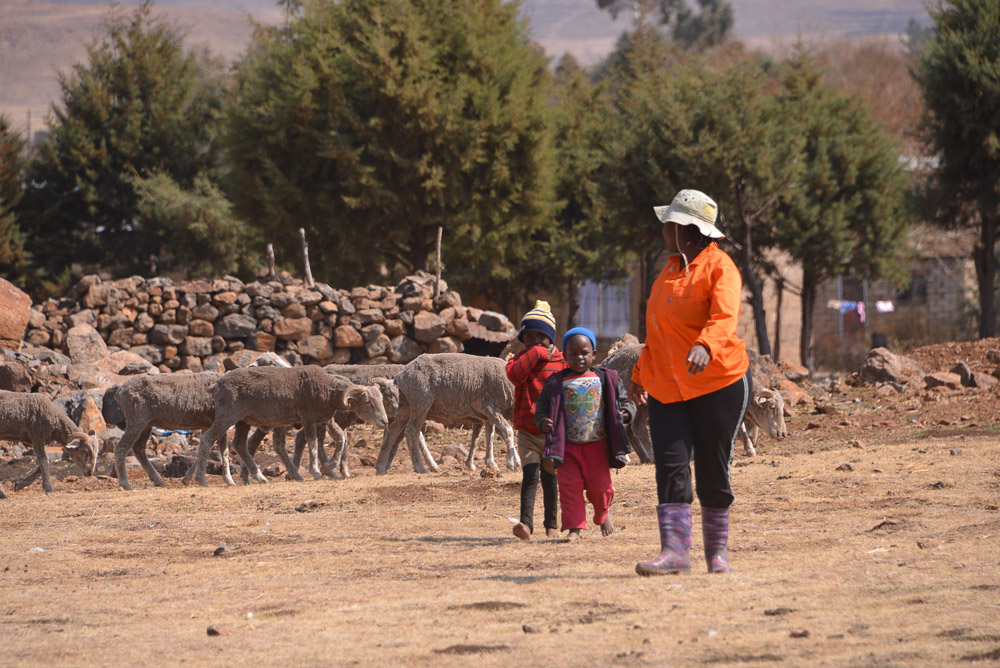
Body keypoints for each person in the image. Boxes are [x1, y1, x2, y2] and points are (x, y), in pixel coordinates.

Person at [628, 189, 751, 575]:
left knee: (712, 468)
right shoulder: (667, 273)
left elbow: (724, 316)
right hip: (667, 387)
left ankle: (717, 554)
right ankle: (676, 554)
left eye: (669, 222)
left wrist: (705, 345)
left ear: (686, 229)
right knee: (670, 465)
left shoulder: (720, 267)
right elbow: (657, 333)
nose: (663, 227)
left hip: (717, 382)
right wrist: (639, 374)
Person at [536, 327, 634, 542]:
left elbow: (625, 402)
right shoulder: (556, 382)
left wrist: (626, 413)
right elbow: (541, 409)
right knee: (570, 487)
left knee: (600, 488)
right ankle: (574, 528)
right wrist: (543, 421)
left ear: (594, 354)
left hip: (597, 445)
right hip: (567, 446)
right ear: (565, 356)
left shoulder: (606, 378)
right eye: (572, 353)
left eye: (584, 353)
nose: (579, 357)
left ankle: (602, 513)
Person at [506, 300, 566, 540]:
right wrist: (536, 353)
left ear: (551, 338)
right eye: (529, 336)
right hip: (528, 433)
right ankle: (526, 525)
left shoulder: (560, 362)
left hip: (551, 433)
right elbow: (514, 376)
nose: (535, 342)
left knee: (551, 480)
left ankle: (551, 526)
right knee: (530, 476)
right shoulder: (519, 359)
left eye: (541, 337)